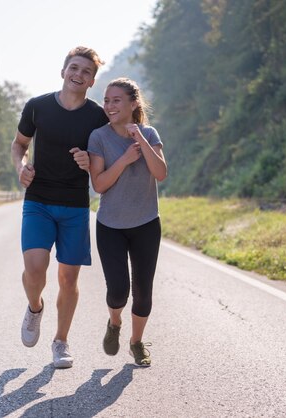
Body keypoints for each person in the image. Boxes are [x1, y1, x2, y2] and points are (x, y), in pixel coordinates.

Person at [11, 46, 109, 369]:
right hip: (38, 200)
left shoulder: (97, 116)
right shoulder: (37, 107)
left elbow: (104, 155)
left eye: (86, 72)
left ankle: (61, 341)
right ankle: (35, 307)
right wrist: (20, 167)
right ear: (63, 70)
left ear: (92, 81)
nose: (78, 75)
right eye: (74, 68)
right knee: (35, 269)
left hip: (74, 205)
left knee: (68, 279)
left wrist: (89, 161)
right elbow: (19, 145)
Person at [87, 78, 167, 367]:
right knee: (118, 290)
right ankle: (114, 322)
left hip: (146, 223)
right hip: (110, 225)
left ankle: (136, 342)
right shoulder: (98, 137)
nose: (109, 105)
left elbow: (160, 173)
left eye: (116, 100)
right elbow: (99, 185)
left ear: (133, 104)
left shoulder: (149, 133)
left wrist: (141, 141)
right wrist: (123, 159)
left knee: (143, 290)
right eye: (107, 100)